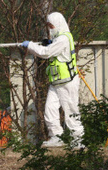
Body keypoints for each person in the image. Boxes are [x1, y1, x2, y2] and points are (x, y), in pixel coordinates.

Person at [21, 12, 84, 148]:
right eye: (48, 26)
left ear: (59, 24)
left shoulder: (63, 39)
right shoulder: (58, 40)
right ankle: (57, 136)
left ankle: (77, 141)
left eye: (51, 26)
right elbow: (52, 49)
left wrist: (30, 45)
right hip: (56, 82)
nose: (50, 29)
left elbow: (46, 53)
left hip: (67, 82)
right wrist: (49, 43)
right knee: (49, 110)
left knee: (71, 111)